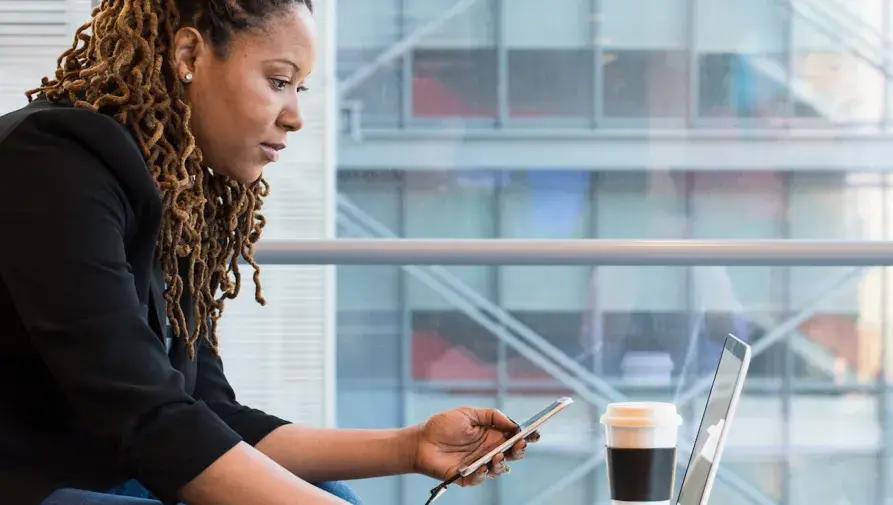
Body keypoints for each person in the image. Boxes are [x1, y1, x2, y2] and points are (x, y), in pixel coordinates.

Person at [0, 1, 536, 504]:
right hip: (34, 486)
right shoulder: (52, 162)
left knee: (327, 490)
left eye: (300, 88)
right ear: (189, 55)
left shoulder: (170, 191)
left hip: (117, 476)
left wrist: (410, 447)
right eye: (279, 82)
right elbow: (149, 421)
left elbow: (210, 415)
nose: (295, 116)